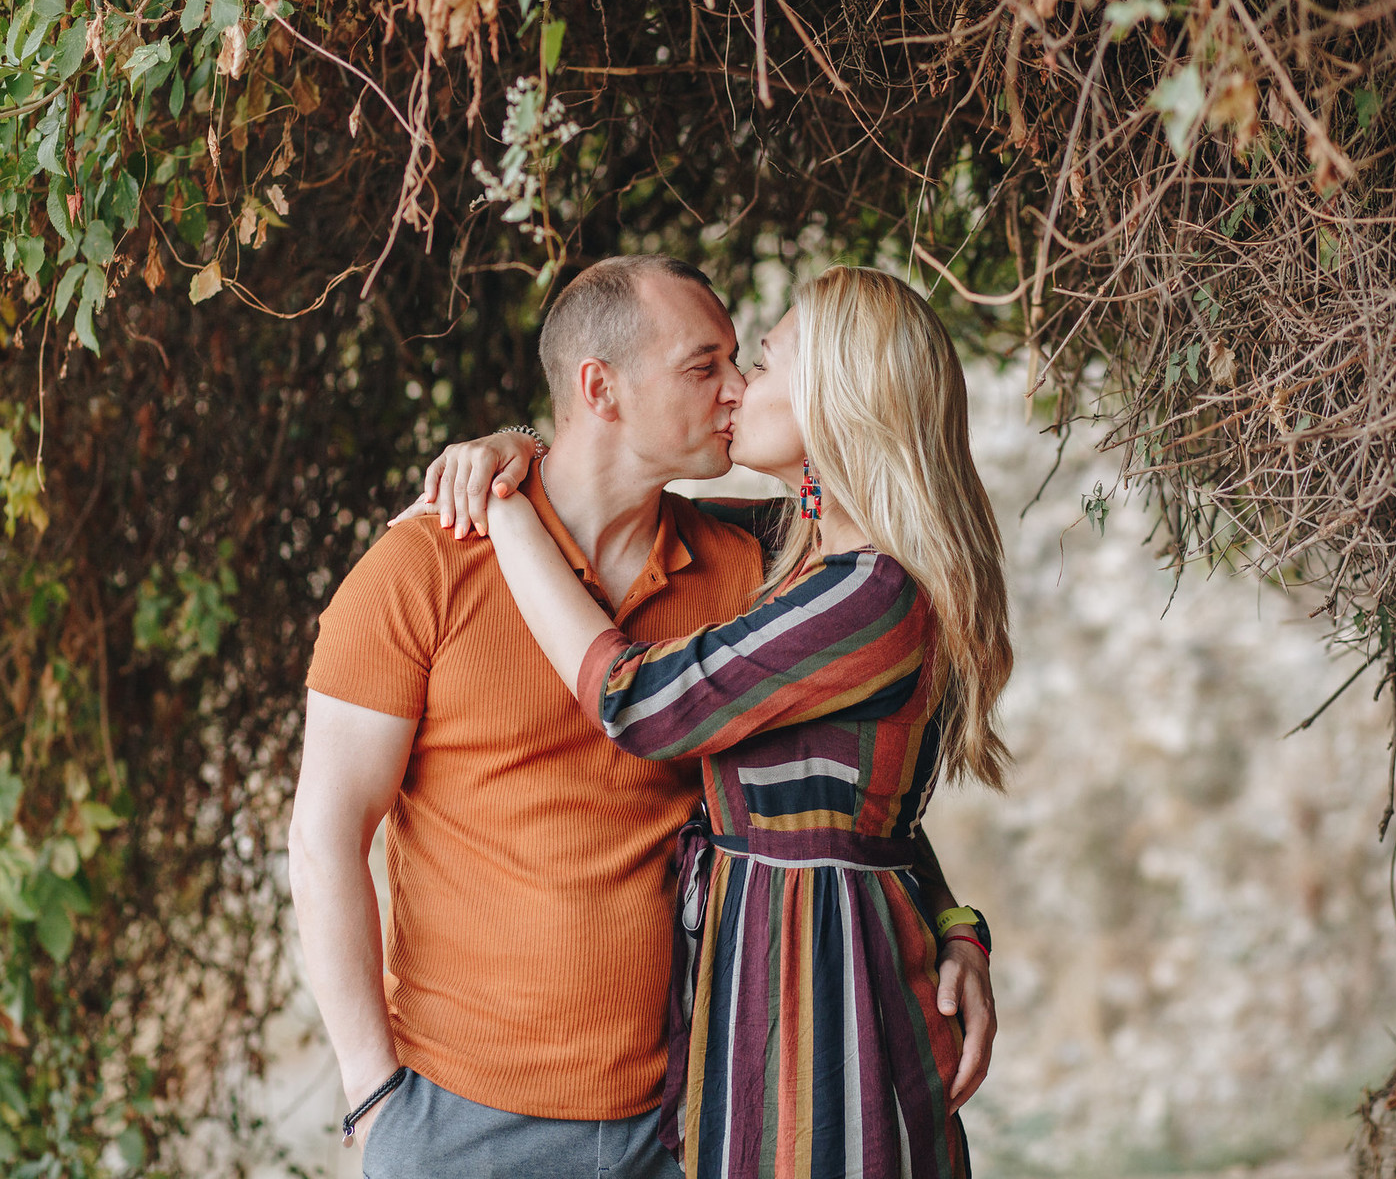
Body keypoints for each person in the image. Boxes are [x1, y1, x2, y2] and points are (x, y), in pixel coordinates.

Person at [290, 256, 995, 1179]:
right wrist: (373, 1095)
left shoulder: (760, 569)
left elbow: (846, 792)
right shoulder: (420, 569)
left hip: (695, 1115)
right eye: (706, 366)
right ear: (601, 388)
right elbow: (324, 836)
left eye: (749, 362)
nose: (737, 389)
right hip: (465, 1122)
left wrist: (956, 926)